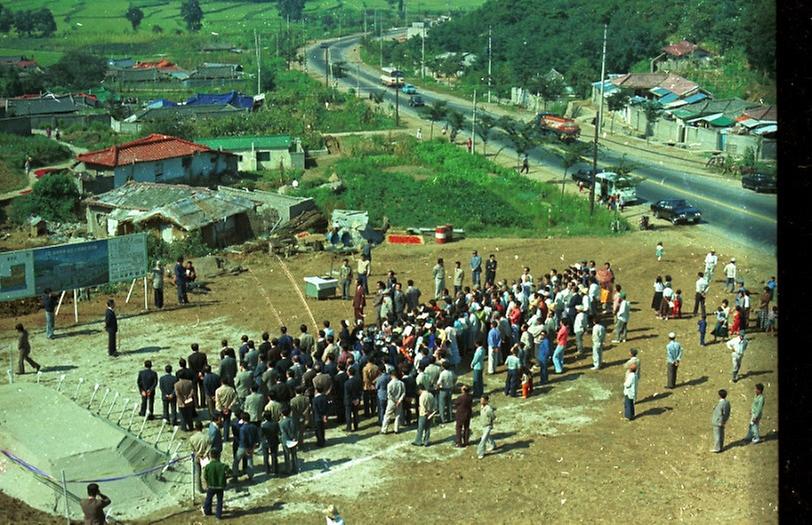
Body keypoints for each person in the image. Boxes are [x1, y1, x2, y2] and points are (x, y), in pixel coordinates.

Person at [232, 413, 259, 482]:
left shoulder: (242, 428)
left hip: (242, 447)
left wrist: (246, 449)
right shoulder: (254, 427)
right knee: (250, 462)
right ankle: (250, 477)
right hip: (251, 447)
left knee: (236, 462)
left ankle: (235, 477)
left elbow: (243, 440)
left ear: (243, 419)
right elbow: (256, 439)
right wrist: (252, 448)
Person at [202, 451, 228, 519]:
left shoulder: (208, 466)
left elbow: (205, 476)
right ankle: (218, 515)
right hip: (220, 486)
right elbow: (230, 472)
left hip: (211, 486)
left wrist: (206, 484)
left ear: (210, 456)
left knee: (208, 499)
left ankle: (207, 511)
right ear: (219, 456)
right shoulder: (223, 465)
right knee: (219, 501)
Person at [189, 420, 211, 493]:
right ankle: (207, 486)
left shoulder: (192, 438)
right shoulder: (206, 437)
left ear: (195, 428)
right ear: (202, 427)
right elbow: (209, 447)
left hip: (197, 456)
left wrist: (196, 453)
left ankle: (199, 488)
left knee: (197, 473)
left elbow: (191, 449)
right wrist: (205, 454)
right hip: (205, 457)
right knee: (205, 473)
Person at [381, 370, 405, 434]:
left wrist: (395, 400)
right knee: (398, 415)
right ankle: (396, 429)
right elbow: (403, 393)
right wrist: (399, 400)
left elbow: (389, 394)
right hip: (399, 401)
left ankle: (384, 429)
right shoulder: (401, 383)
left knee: (387, 415)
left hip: (391, 401)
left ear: (392, 375)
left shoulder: (390, 384)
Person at [279, 406, 299, 474]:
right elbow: (293, 430)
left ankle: (288, 469)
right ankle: (295, 468)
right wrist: (294, 437)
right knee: (294, 455)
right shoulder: (292, 420)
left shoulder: (281, 422)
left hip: (285, 440)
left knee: (287, 456)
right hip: (292, 440)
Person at [477, 394, 496, 459]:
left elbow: (493, 416)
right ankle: (493, 445)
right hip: (483, 425)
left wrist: (490, 422)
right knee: (488, 437)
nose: (481, 401)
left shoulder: (488, 409)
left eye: (482, 400)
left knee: (483, 439)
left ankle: (480, 452)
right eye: (481, 400)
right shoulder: (482, 406)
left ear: (486, 401)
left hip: (488, 425)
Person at [343, 366, 361, 431]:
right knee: (356, 414)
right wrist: (357, 399)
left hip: (349, 400)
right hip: (356, 399)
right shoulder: (358, 381)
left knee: (348, 415)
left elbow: (347, 394)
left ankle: (349, 427)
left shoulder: (346, 383)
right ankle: (356, 427)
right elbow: (360, 390)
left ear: (349, 373)